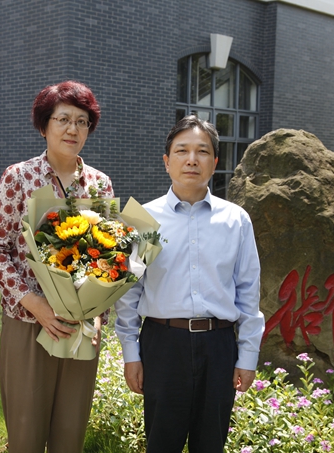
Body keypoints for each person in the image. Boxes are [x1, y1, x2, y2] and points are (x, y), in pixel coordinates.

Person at [114, 115, 265, 453]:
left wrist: (248, 355)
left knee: (211, 444)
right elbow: (129, 294)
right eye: (182, 151)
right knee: (161, 443)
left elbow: (248, 291)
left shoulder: (236, 220)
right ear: (167, 161)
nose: (192, 160)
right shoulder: (143, 219)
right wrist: (131, 354)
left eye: (202, 151)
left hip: (219, 346)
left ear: (215, 162)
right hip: (163, 345)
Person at [0, 80, 113, 453]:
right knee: (25, 436)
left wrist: (97, 312)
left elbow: (105, 257)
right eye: (63, 119)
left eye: (82, 122)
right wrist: (32, 302)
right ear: (44, 125)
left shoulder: (99, 184)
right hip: (28, 323)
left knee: (70, 435)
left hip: (80, 327)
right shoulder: (19, 177)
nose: (73, 129)